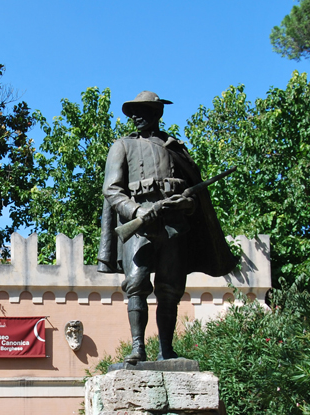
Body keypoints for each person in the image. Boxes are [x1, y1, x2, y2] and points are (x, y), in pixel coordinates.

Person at [98, 91, 237, 364]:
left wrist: (186, 205)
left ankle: (166, 350)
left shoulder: (176, 148)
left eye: (143, 111)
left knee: (170, 288)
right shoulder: (122, 146)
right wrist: (138, 211)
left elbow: (195, 196)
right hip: (138, 227)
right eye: (133, 112)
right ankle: (138, 348)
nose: (136, 117)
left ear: (157, 113)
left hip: (173, 226)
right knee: (136, 283)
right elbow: (112, 191)